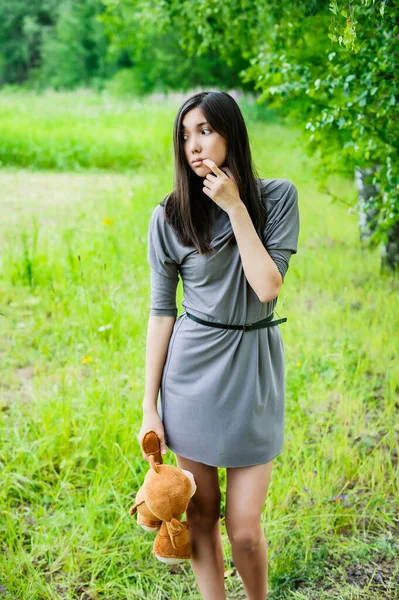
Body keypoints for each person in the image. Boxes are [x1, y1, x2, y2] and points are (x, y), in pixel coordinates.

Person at [138, 90, 300, 600]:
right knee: (202, 516)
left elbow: (267, 286)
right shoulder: (169, 216)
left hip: (253, 369)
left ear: (232, 133)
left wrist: (233, 207)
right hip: (190, 376)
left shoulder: (277, 197)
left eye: (205, 129)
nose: (194, 144)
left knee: (246, 529)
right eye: (185, 135)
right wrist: (149, 406)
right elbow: (162, 312)